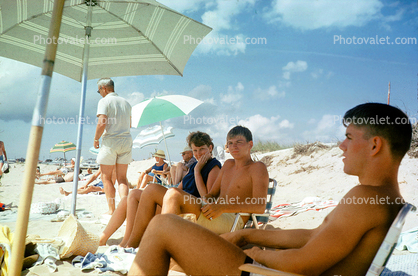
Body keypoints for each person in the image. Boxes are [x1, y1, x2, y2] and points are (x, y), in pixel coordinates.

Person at [128, 103, 412, 276]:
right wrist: (249, 234)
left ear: (375, 146)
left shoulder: (366, 198)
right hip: (267, 261)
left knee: (163, 226)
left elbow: (303, 265)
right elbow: (315, 236)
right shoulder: (381, 198)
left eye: (349, 137)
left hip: (270, 273)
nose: (341, 144)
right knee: (174, 242)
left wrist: (256, 253)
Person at [122, 126, 269, 249]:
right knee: (152, 189)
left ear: (250, 144)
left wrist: (223, 207)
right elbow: (212, 194)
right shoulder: (229, 165)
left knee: (173, 194)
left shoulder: (257, 168)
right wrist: (201, 200)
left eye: (239, 142)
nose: (233, 146)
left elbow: (260, 206)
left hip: (232, 220)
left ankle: (163, 249)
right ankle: (131, 246)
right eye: (230, 143)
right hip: (213, 210)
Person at [99, 131, 222, 246]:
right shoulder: (195, 164)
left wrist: (197, 172)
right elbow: (179, 188)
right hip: (177, 200)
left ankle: (130, 242)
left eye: (202, 149)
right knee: (132, 195)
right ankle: (109, 239)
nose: (198, 154)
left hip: (189, 208)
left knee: (151, 189)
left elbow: (207, 199)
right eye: (195, 150)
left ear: (210, 148)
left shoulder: (213, 167)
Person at [94, 77, 132, 215]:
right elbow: (130, 124)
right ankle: (126, 208)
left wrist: (96, 138)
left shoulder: (104, 101)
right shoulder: (126, 103)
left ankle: (112, 210)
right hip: (126, 140)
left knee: (106, 178)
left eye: (99, 91)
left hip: (111, 141)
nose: (100, 93)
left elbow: (102, 122)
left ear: (103, 88)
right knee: (122, 178)